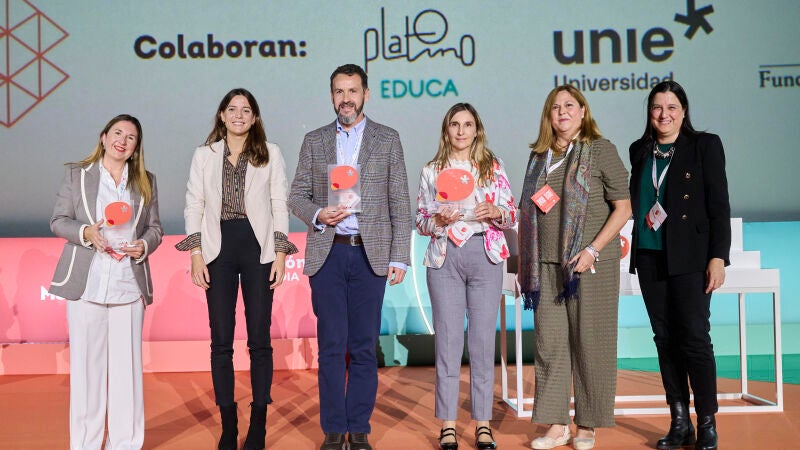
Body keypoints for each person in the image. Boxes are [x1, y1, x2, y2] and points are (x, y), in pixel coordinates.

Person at [288, 63, 412, 450]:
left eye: (353, 91)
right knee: (330, 346)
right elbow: (297, 196)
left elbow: (400, 201)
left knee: (362, 346)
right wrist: (317, 214)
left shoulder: (387, 139)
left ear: (365, 94)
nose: (346, 99)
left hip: (369, 256)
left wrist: (399, 257)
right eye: (339, 92)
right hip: (328, 254)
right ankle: (332, 429)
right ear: (331, 96)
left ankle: (358, 428)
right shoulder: (314, 140)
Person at [176, 88, 297, 450]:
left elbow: (279, 204)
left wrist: (280, 253)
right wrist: (195, 253)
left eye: (246, 110)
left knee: (259, 338)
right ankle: (228, 425)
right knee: (221, 340)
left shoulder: (270, 153)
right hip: (218, 247)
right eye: (232, 109)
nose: (239, 115)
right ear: (222, 115)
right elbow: (194, 205)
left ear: (254, 117)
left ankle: (258, 423)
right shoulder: (204, 155)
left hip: (258, 248)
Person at [518, 85, 632, 450]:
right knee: (549, 345)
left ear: (583, 111)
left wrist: (593, 250)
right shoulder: (539, 156)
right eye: (555, 107)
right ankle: (557, 424)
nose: (562, 112)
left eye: (570, 105)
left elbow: (624, 208)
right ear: (548, 115)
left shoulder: (600, 149)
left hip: (588, 265)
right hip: (545, 265)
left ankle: (587, 424)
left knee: (591, 343)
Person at [49, 114, 163, 449]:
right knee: (87, 371)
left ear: (136, 147)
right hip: (88, 284)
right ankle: (85, 443)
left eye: (131, 137)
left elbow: (155, 229)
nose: (122, 141)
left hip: (128, 284)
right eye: (117, 133)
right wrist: (86, 232)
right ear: (103, 137)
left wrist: (144, 245)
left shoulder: (146, 181)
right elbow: (58, 221)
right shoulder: (77, 174)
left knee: (127, 372)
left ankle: (125, 443)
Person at [628, 80, 730, 450]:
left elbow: (719, 205)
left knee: (695, 338)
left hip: (691, 258)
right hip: (649, 256)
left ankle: (707, 423)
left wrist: (718, 257)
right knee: (665, 339)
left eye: (671, 107)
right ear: (649, 112)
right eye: (657, 107)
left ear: (683, 111)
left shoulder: (705, 145)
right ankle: (679, 421)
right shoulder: (640, 150)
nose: (664, 114)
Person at [416, 103, 517, 450]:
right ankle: (448, 424)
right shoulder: (431, 170)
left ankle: (483, 424)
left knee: (482, 342)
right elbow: (420, 221)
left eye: (468, 124)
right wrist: (437, 221)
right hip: (444, 257)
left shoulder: (493, 166)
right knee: (447, 342)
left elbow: (512, 213)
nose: (461, 131)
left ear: (477, 130)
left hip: (484, 255)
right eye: (455, 124)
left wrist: (496, 210)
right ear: (446, 130)